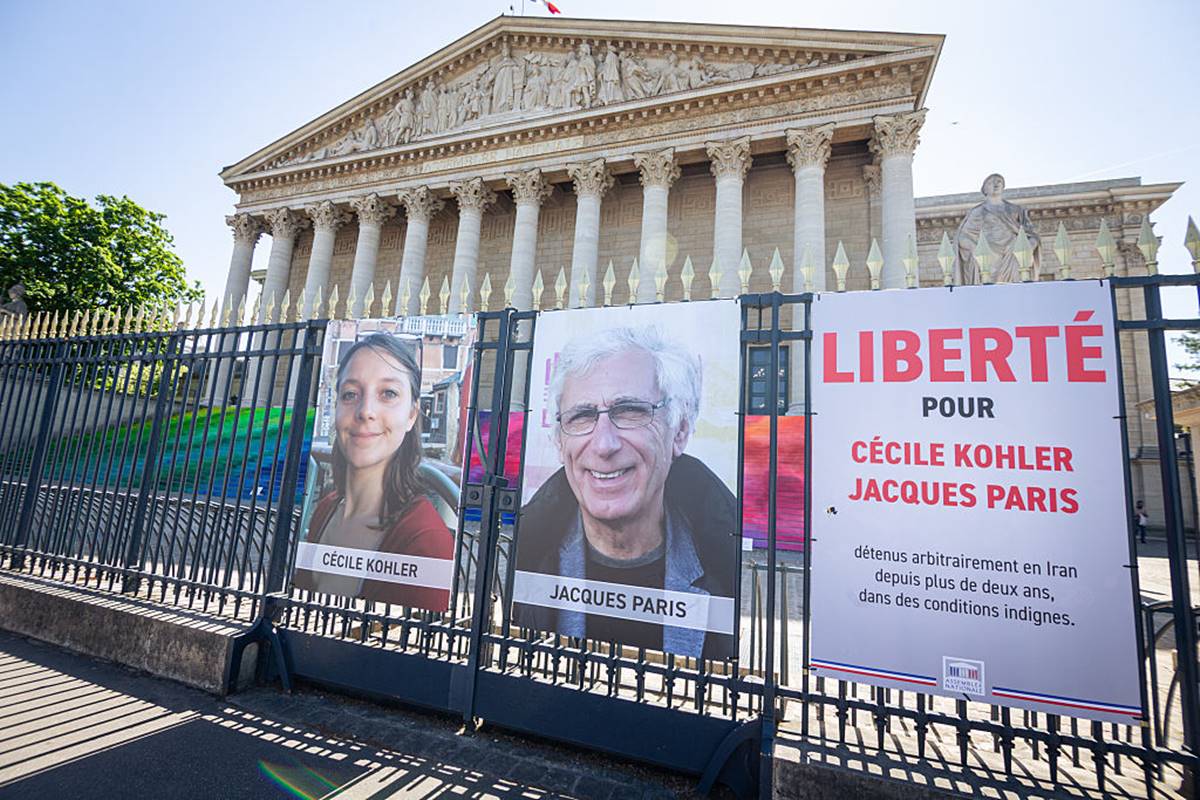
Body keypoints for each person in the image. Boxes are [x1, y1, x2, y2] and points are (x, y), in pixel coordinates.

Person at [514, 325, 736, 660]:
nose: (604, 445)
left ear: (679, 432)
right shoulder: (526, 558)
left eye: (631, 411)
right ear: (560, 442)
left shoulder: (724, 568)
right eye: (582, 415)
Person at [292, 332, 453, 610]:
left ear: (412, 415)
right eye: (351, 394)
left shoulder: (426, 540)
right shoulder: (326, 509)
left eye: (388, 394)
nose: (365, 411)